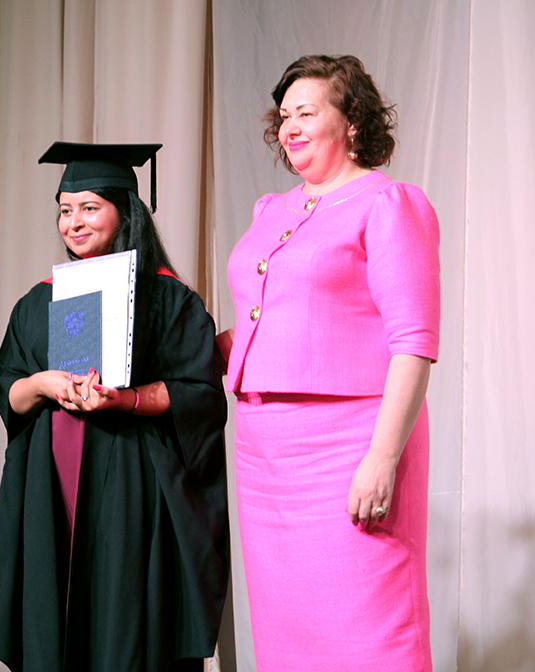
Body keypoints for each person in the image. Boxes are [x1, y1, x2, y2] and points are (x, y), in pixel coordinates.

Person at [222, 54, 440, 671]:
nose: (289, 125)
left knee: (370, 623)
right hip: (266, 457)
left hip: (348, 446)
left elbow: (414, 342)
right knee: (287, 629)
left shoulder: (389, 203)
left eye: (306, 112)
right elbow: (270, 326)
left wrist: (382, 458)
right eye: (283, 114)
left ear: (350, 122)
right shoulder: (272, 210)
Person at [0, 142, 230, 672]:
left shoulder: (168, 300)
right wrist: (45, 383)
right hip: (51, 486)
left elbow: (198, 395)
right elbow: (9, 391)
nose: (73, 223)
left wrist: (127, 399)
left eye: (89, 207)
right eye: (65, 211)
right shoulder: (38, 301)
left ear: (126, 211)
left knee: (124, 624)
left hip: (134, 485)